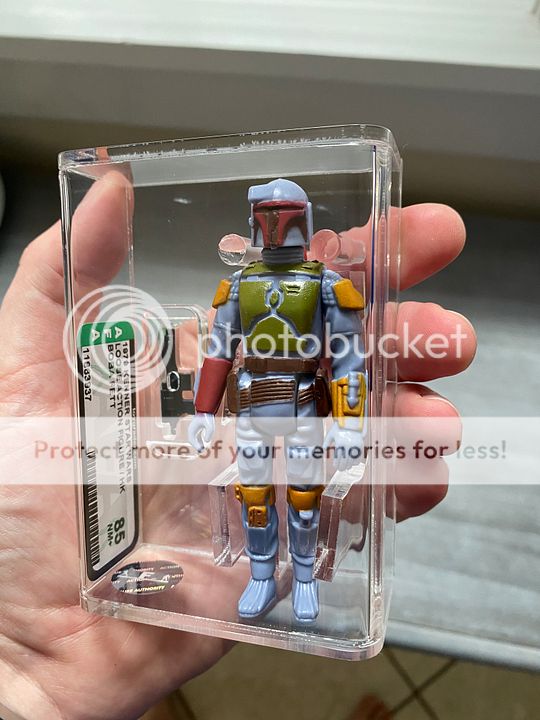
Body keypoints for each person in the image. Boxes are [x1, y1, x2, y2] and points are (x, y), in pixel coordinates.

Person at [0, 172, 476, 720]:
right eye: (267, 218)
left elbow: (348, 357)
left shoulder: (325, 286)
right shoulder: (238, 286)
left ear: (302, 221)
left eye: (284, 217)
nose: (275, 228)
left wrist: (350, 423)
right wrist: (204, 413)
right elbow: (218, 353)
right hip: (252, 404)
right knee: (253, 498)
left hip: (303, 401)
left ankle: (303, 577)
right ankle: (260, 574)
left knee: (304, 500)